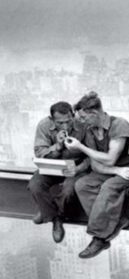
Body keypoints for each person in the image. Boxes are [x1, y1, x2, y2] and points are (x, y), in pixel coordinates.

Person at [68, 92, 129, 259]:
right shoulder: (91, 130)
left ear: (94, 113)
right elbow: (95, 163)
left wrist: (81, 147)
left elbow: (110, 158)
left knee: (108, 187)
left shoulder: (119, 125)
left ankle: (99, 237)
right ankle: (118, 221)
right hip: (114, 170)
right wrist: (115, 171)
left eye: (84, 117)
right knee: (82, 185)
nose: (82, 121)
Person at [28, 101, 90, 243]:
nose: (65, 126)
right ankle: (55, 217)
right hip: (52, 165)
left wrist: (79, 169)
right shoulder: (44, 125)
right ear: (52, 120)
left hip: (76, 166)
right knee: (35, 185)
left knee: (69, 190)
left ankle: (48, 212)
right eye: (60, 123)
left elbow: (91, 155)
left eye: (68, 122)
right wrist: (58, 146)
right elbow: (40, 153)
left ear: (73, 116)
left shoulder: (83, 126)